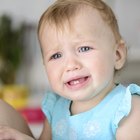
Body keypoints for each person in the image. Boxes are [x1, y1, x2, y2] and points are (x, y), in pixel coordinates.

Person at [0, 0, 140, 139]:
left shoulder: (127, 108)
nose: (70, 65)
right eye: (56, 55)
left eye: (84, 48)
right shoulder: (55, 108)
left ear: (117, 55)